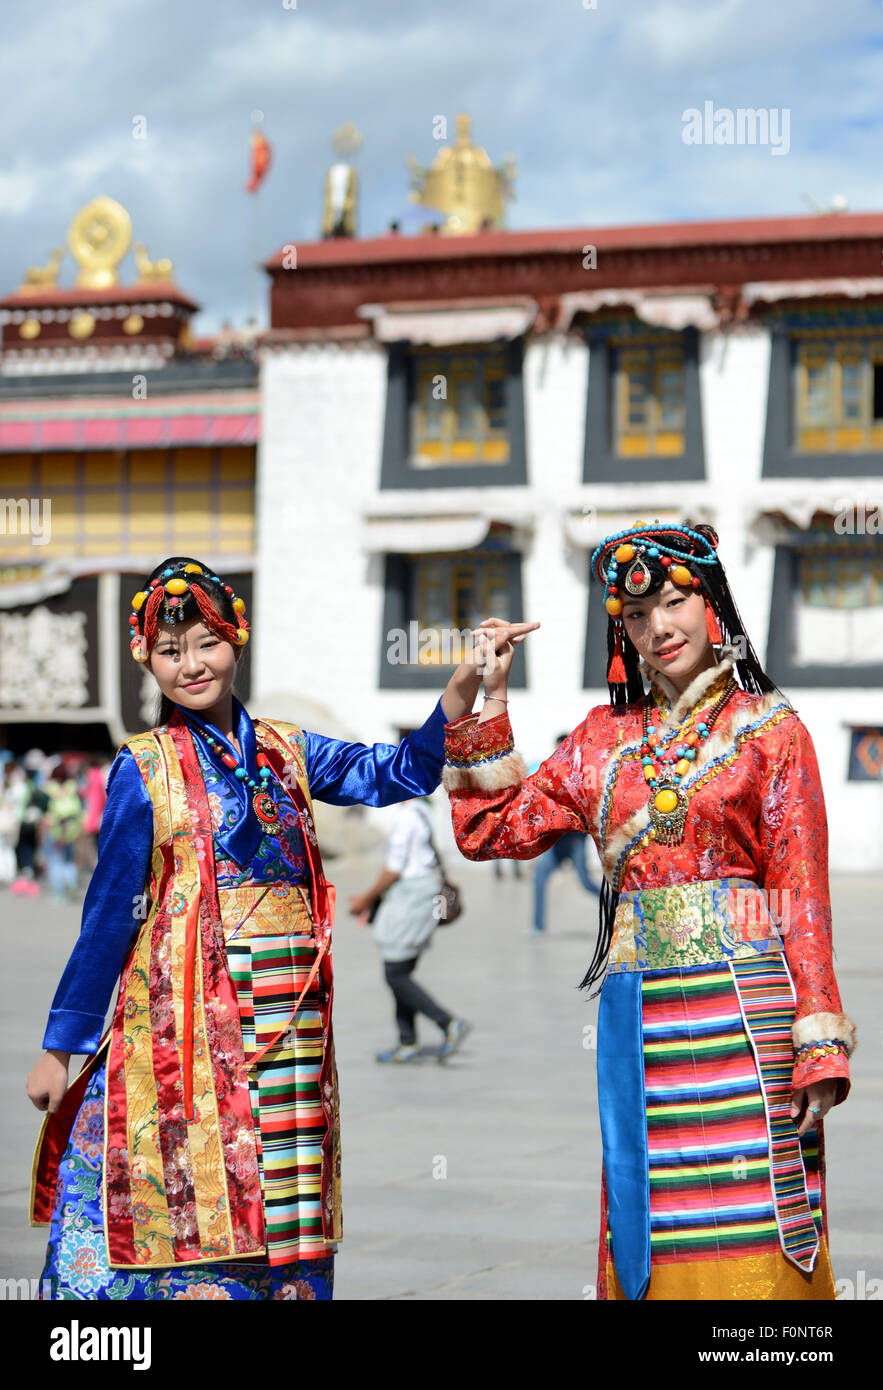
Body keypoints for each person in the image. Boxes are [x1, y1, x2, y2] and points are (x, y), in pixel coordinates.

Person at [26, 555, 512, 1301]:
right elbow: (108, 914)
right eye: (169, 651)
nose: (191, 664)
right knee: (192, 1186)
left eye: (205, 642)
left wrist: (455, 694)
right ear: (148, 665)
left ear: (236, 637)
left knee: (285, 1196)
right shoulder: (143, 768)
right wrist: (63, 1046)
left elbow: (395, 774)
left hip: (290, 1022)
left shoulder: (287, 749)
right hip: (184, 1022)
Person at [441, 520, 855, 1302]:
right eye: (635, 617)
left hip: (749, 1014)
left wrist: (819, 1044)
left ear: (712, 606)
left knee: (759, 1219)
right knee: (649, 1220)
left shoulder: (770, 733)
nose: (657, 628)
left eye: (673, 603)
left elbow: (800, 895)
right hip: (640, 1020)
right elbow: (492, 828)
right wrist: (483, 696)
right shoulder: (601, 740)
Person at [350, 797, 470, 1064]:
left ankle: (448, 1023)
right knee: (400, 970)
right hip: (422, 893)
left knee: (395, 973)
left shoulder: (407, 817)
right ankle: (408, 1041)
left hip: (412, 896)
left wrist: (366, 899)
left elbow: (393, 869)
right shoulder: (423, 810)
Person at [531, 734, 601, 934]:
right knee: (539, 879)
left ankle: (615, 905)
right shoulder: (550, 770)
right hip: (555, 839)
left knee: (586, 883)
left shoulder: (581, 771)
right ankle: (538, 926)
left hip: (575, 839)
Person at [43, 766, 83, 903]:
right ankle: (71, 885)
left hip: (56, 828)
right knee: (69, 859)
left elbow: (45, 809)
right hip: (71, 828)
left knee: (55, 860)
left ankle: (58, 892)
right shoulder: (73, 788)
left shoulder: (49, 789)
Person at [12, 765, 48, 896]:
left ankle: (26, 871)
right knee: (32, 847)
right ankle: (31, 870)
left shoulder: (23, 787)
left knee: (24, 847)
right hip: (35, 822)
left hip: (24, 822)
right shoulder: (38, 788)